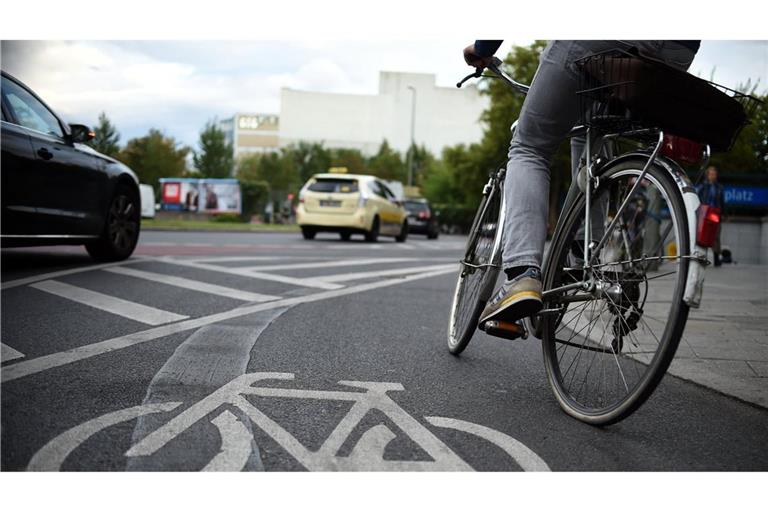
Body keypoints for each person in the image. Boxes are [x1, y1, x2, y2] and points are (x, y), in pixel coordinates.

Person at [464, 40, 700, 325]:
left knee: (530, 145)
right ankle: (583, 251)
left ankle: (521, 276)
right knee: (590, 130)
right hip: (677, 49)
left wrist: (483, 48)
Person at [696, 165, 725, 266]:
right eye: (711, 174)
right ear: (707, 175)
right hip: (705, 213)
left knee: (716, 236)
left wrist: (723, 214)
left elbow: (722, 202)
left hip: (715, 213)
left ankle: (717, 259)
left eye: (714, 174)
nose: (713, 176)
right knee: (703, 236)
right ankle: (702, 257)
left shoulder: (719, 187)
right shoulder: (703, 186)